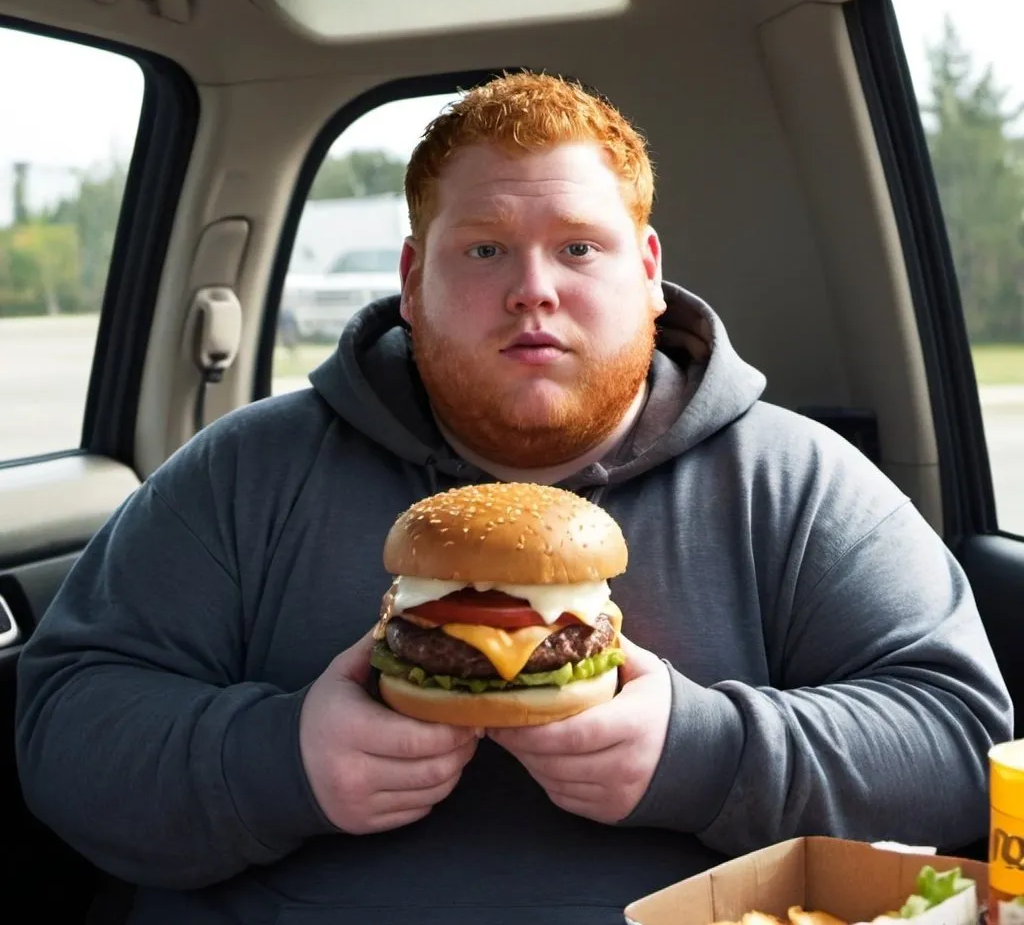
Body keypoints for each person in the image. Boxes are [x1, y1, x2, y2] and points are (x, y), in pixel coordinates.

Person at [15, 72, 1013, 925]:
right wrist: (278, 761)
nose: (533, 287)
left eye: (579, 247)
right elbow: (64, 723)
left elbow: (958, 734)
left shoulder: (794, 482)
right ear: (413, 278)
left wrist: (707, 755)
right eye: (484, 249)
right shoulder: (243, 473)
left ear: (649, 273)